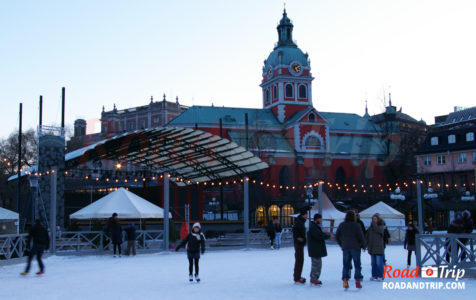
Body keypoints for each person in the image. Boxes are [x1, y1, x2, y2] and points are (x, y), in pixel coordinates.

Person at [336, 210, 366, 289]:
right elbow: (361, 236)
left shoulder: (342, 225)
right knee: (357, 265)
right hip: (355, 247)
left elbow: (337, 236)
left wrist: (341, 244)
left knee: (346, 265)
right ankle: (357, 281)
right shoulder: (356, 225)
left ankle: (345, 280)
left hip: (345, 247)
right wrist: (363, 245)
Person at [307, 213, 330, 286]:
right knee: (316, 264)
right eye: (320, 219)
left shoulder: (314, 226)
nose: (321, 220)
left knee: (317, 264)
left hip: (315, 249)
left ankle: (314, 278)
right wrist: (326, 235)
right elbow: (318, 236)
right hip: (315, 249)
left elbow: (318, 235)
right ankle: (314, 279)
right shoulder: (313, 227)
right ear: (317, 219)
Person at [366, 213, 385, 281]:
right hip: (372, 247)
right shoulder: (370, 227)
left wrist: (374, 224)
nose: (374, 220)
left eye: (375, 219)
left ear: (378, 219)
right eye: (373, 219)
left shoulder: (381, 225)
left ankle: (380, 275)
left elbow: (379, 231)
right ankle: (374, 275)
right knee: (373, 263)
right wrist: (366, 245)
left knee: (379, 263)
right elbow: (367, 236)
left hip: (379, 247)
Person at [292, 207, 308, 284]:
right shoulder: (299, 222)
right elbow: (295, 231)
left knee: (300, 260)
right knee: (299, 260)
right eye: (306, 214)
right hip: (298, 244)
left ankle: (298, 276)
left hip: (300, 243)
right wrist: (299, 238)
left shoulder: (300, 221)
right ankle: (297, 277)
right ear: (303, 215)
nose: (307, 216)